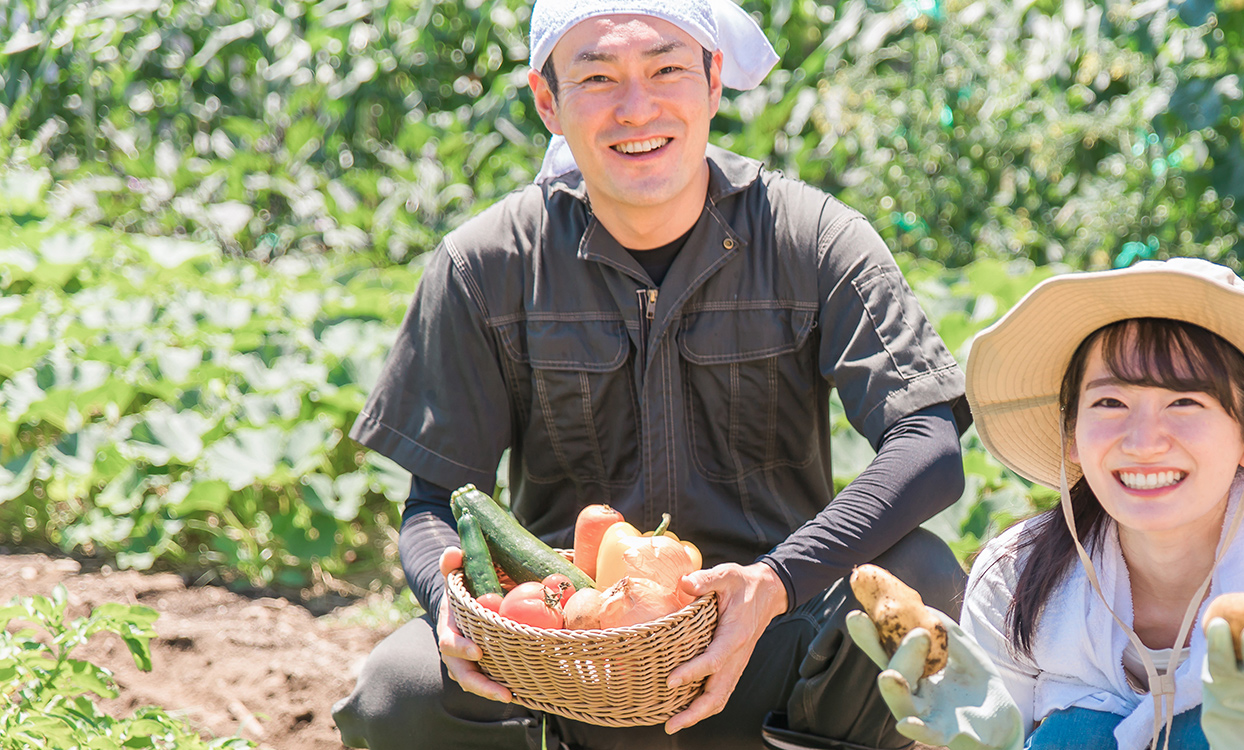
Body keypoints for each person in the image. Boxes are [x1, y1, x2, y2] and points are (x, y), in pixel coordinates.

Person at [329, 0, 972, 747]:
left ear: (713, 82)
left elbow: (928, 443)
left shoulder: (813, 238)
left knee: (917, 578)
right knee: (397, 689)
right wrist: (450, 601)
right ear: (549, 101)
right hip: (560, 663)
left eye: (667, 68)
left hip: (774, 649)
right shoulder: (486, 265)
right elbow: (433, 500)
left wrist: (774, 582)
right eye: (597, 77)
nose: (637, 108)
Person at [848, 257, 1244, 750]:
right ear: (1070, 430)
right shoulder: (1013, 576)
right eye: (1111, 401)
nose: (1143, 441)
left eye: (1185, 401)